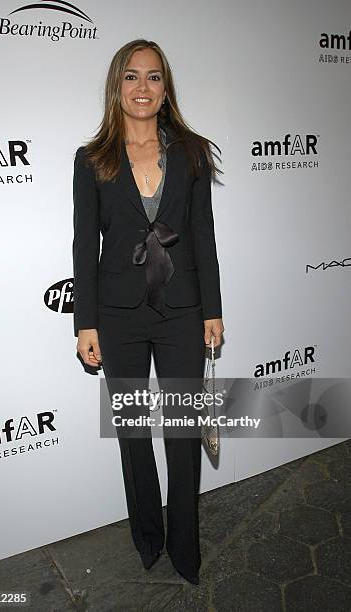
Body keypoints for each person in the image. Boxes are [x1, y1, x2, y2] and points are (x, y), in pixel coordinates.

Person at [72, 38, 225, 585]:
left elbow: (203, 236)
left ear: (166, 87)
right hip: (118, 315)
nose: (143, 88)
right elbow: (83, 246)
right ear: (118, 85)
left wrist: (213, 308)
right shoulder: (92, 160)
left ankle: (185, 543)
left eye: (154, 77)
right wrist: (84, 322)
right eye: (132, 77)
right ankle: (147, 536)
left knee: (182, 429)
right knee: (135, 431)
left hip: (183, 309)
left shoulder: (191, 153)